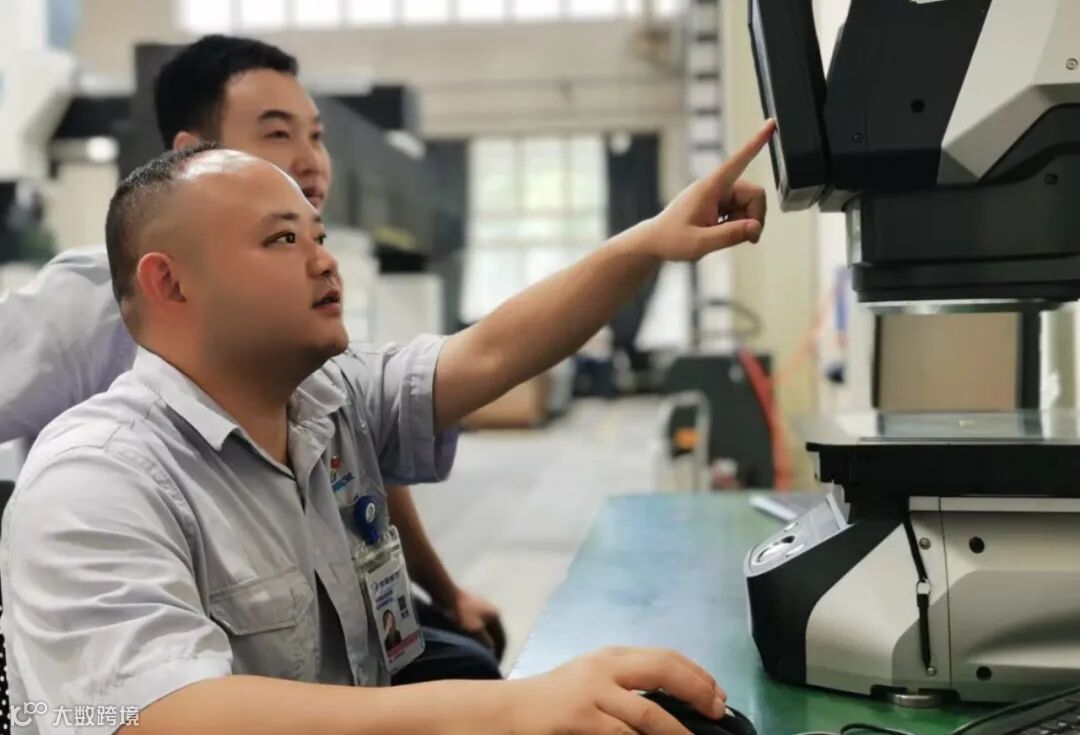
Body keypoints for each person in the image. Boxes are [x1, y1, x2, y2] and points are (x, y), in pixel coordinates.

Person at [1, 115, 773, 733]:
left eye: (318, 236)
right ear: (170, 283)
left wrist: (651, 240)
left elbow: (490, 350)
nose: (323, 261)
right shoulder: (96, 478)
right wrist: (506, 710)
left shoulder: (325, 400)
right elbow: (161, 716)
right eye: (282, 238)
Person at [0, 35, 503, 683]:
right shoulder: (92, 308)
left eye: (316, 136)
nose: (309, 161)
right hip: (172, 616)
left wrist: (443, 589)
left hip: (306, 608)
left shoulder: (298, 290)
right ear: (193, 154)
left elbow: (357, 452)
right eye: (276, 135)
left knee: (465, 665)